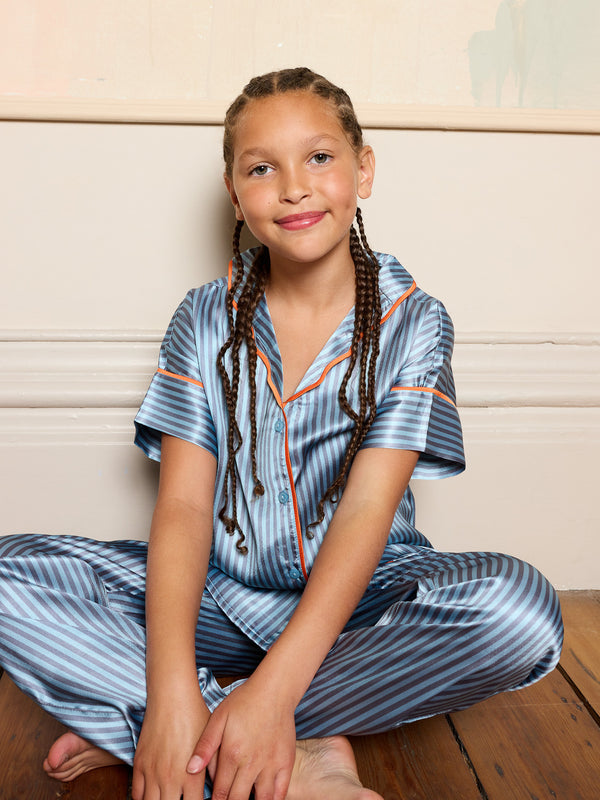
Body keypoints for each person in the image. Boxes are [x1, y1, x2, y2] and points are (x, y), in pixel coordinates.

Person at [0, 67, 563, 800]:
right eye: (262, 168)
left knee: (521, 611)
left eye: (320, 158)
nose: (294, 187)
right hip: (219, 596)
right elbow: (182, 508)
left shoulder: (414, 320)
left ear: (364, 170)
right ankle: (241, 734)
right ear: (235, 193)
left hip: (362, 598)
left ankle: (198, 727)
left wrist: (270, 694)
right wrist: (171, 691)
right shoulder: (204, 317)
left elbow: (365, 511)